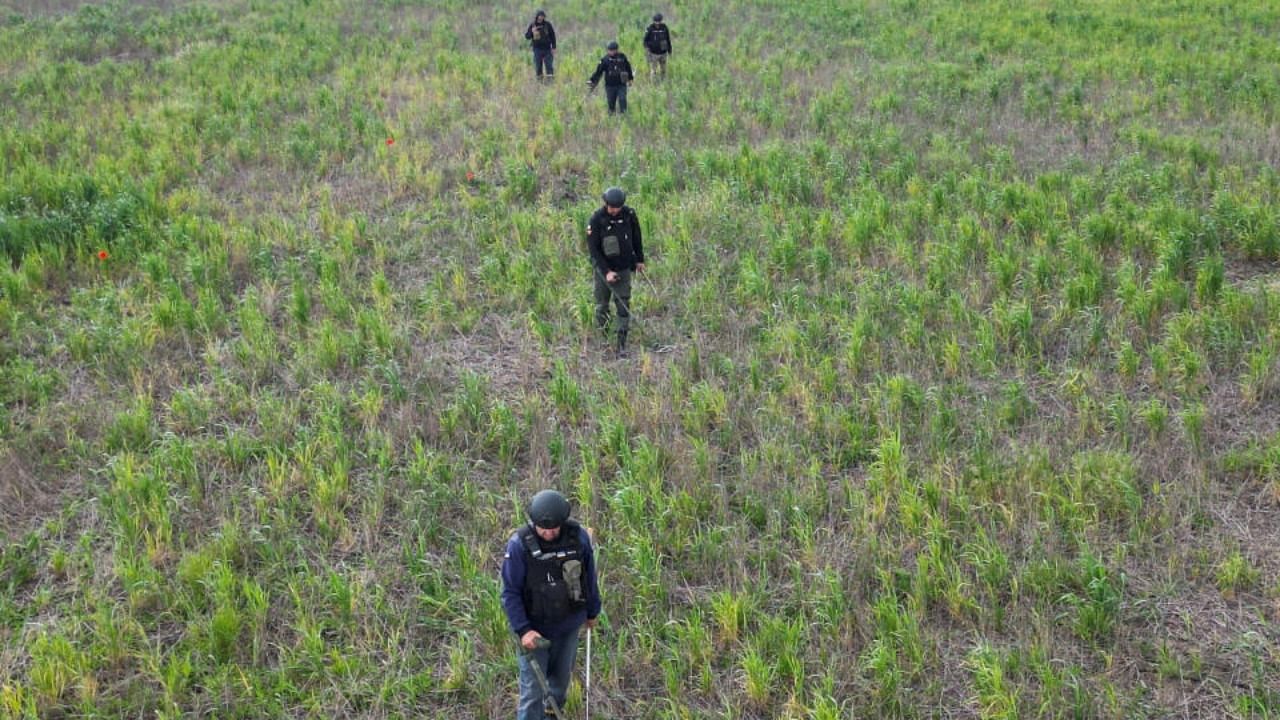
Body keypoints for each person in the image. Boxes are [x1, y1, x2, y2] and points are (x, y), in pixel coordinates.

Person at [501, 490, 601, 720]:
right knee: (532, 692)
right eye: (543, 527)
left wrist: (593, 610)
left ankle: (552, 714)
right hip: (535, 630)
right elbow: (510, 592)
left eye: (554, 527)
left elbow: (589, 578)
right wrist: (523, 630)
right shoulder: (519, 546)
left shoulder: (578, 539)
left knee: (560, 682)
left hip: (568, 625)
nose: (548, 532)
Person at [586, 187, 645, 358]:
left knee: (623, 305)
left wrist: (639, 260)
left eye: (617, 207)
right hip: (604, 270)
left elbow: (636, 237)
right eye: (611, 207)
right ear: (606, 204)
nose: (614, 210)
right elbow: (593, 251)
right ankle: (604, 338)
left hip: (624, 267)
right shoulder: (597, 220)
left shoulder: (629, 215)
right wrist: (606, 272)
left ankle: (621, 343)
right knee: (602, 305)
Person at [587, 41, 634, 114]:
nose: (611, 52)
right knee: (611, 104)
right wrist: (592, 80)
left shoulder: (622, 57)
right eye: (609, 50)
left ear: (616, 50)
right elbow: (598, 72)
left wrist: (630, 79)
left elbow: (628, 67)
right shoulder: (605, 60)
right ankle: (611, 117)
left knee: (622, 99)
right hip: (610, 86)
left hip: (621, 84)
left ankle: (624, 115)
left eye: (613, 50)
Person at [524, 10, 557, 83]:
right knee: (538, 65)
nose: (541, 18)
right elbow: (527, 36)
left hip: (547, 49)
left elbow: (552, 35)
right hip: (537, 49)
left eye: (543, 16)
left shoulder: (547, 25)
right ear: (537, 16)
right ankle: (540, 82)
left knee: (549, 65)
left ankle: (550, 82)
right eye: (540, 16)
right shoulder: (533, 25)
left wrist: (554, 47)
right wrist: (532, 32)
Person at [642, 13, 672, 80]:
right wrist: (648, 49)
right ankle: (653, 84)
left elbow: (668, 39)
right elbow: (645, 41)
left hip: (663, 53)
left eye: (659, 21)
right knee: (654, 71)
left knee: (663, 70)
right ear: (654, 21)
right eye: (656, 21)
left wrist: (669, 50)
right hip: (654, 54)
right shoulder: (650, 28)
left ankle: (663, 82)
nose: (658, 23)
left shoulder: (664, 27)